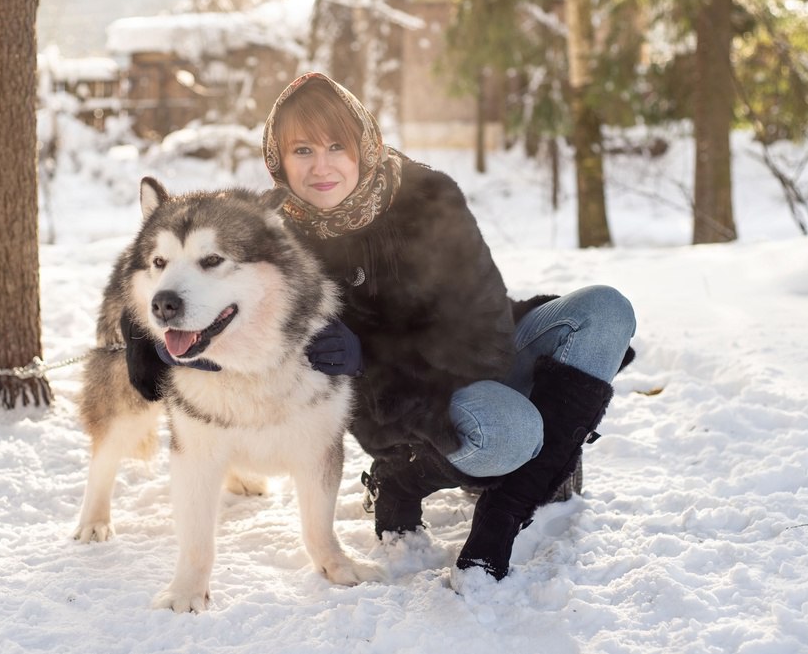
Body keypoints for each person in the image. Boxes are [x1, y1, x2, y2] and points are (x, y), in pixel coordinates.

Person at [127, 72, 636, 582]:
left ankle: (525, 477)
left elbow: (485, 335)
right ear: (277, 159)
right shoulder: (267, 229)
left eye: (336, 146)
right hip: (400, 408)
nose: (321, 166)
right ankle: (419, 479)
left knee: (606, 310)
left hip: (481, 353)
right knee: (509, 434)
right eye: (301, 150)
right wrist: (152, 340)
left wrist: (371, 352)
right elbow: (174, 255)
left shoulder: (429, 197)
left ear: (364, 146)